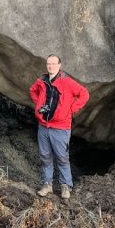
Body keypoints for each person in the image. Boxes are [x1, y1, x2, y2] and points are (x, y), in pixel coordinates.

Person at [28, 54, 89, 200]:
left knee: (62, 158)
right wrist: (39, 105)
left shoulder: (67, 82)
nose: (51, 66)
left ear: (59, 65)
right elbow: (32, 91)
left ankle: (65, 186)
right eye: (49, 64)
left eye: (54, 64)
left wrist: (71, 109)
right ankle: (47, 185)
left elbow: (84, 94)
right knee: (45, 157)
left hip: (60, 128)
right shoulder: (42, 81)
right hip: (43, 126)